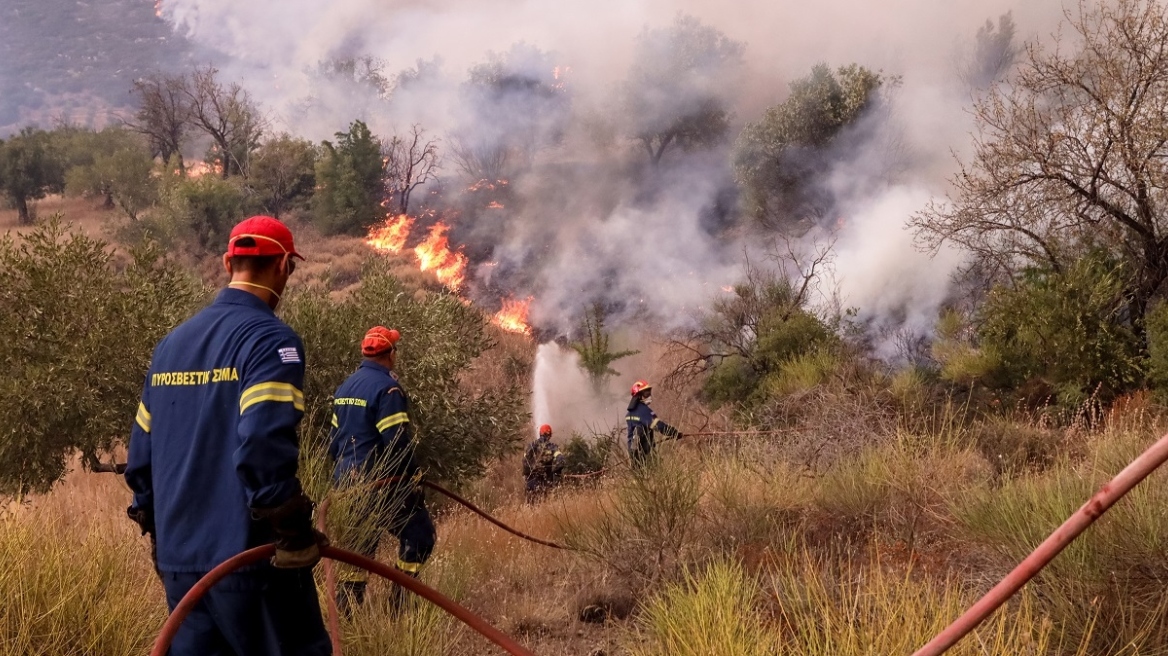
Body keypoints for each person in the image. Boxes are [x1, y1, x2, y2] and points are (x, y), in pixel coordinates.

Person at [124, 215, 331, 656]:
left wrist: (159, 529)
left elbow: (140, 455)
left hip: (182, 567)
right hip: (250, 563)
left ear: (226, 263)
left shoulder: (171, 345)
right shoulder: (271, 341)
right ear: (284, 266)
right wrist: (291, 526)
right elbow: (261, 443)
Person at [327, 326, 436, 614]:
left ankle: (346, 614)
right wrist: (412, 478)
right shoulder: (388, 390)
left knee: (356, 552)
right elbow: (396, 442)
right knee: (419, 535)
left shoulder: (345, 388)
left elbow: (334, 443)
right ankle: (401, 603)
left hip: (346, 484)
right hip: (380, 484)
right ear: (391, 354)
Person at [625, 380, 682, 468]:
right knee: (654, 470)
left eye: (649, 392)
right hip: (644, 453)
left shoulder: (629, 414)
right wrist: (674, 432)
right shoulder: (644, 411)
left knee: (638, 473)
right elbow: (658, 425)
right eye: (646, 393)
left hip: (633, 453)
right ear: (638, 395)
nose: (649, 395)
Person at [522, 424, 565, 502]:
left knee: (530, 504)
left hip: (530, 481)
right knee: (543, 503)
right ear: (550, 435)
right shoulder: (553, 447)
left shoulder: (531, 445)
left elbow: (525, 461)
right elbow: (561, 461)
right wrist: (555, 472)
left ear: (540, 433)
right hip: (545, 481)